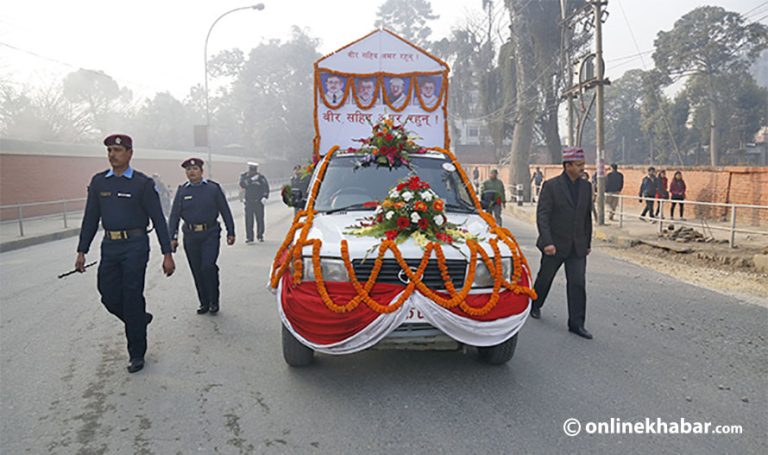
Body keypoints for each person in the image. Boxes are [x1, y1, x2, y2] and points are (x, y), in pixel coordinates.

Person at [75, 134, 175, 373]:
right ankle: (139, 320)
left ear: (129, 153)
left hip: (136, 245)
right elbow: (90, 218)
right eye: (109, 150)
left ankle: (136, 353)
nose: (112, 154)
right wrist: (82, 250)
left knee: (131, 296)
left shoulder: (142, 183)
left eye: (117, 150)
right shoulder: (99, 183)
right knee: (108, 295)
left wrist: (167, 253)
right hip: (110, 246)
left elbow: (158, 219)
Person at [529, 147, 593, 339]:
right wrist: (547, 242)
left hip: (577, 246)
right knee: (545, 278)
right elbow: (543, 216)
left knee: (578, 284)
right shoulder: (551, 186)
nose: (583, 168)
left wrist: (587, 242)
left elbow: (586, 218)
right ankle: (535, 304)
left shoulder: (586, 187)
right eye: (579, 165)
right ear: (568, 166)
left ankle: (577, 324)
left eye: (583, 164)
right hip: (554, 245)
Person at [168, 158, 235, 315]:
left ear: (201, 171)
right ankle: (203, 302)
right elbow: (174, 216)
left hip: (210, 233)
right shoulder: (182, 191)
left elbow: (225, 210)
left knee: (208, 266)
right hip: (191, 235)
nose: (192, 172)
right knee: (196, 270)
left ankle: (213, 300)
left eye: (195, 169)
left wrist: (230, 231)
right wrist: (172, 237)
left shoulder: (213, 188)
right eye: (188, 170)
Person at [239, 162, 270, 243]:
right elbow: (242, 184)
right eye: (251, 170)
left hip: (258, 201)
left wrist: (265, 196)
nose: (252, 172)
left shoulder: (261, 177)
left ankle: (260, 236)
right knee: (249, 220)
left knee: (260, 219)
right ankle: (249, 237)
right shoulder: (244, 176)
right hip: (248, 201)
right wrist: (251, 180)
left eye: (254, 170)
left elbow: (265, 187)